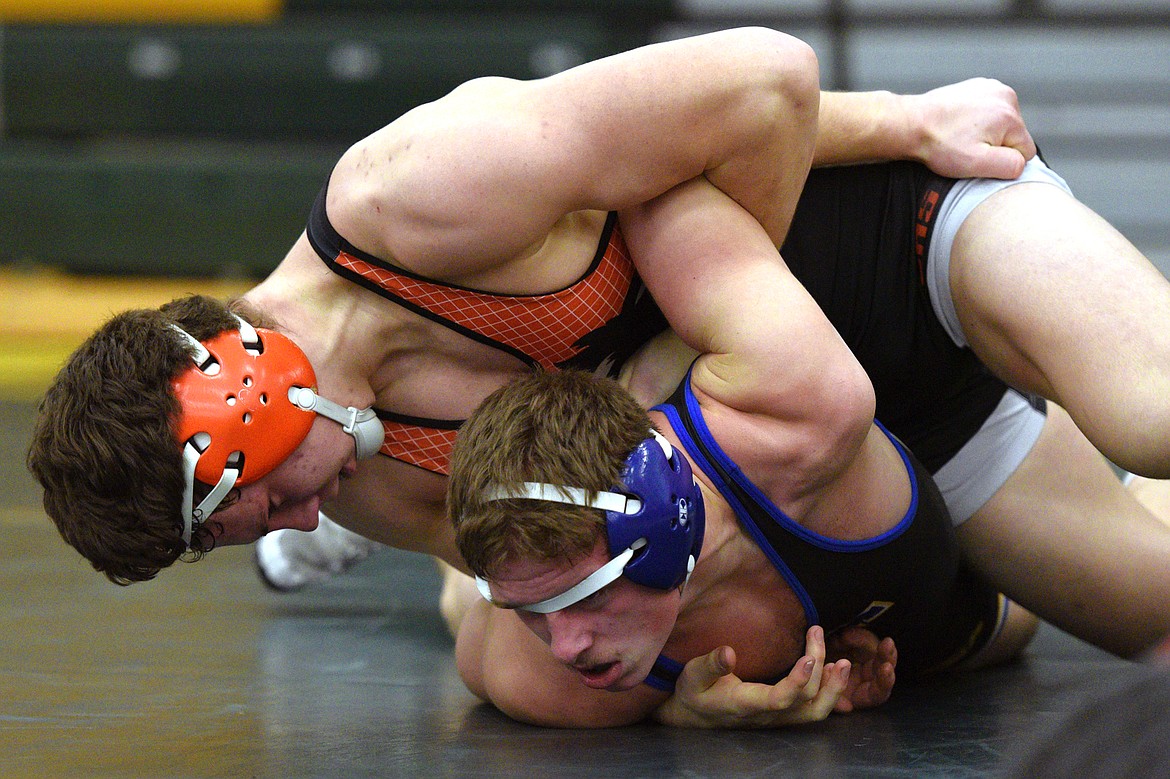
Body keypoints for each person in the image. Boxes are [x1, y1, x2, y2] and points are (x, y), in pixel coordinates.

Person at [25, 26, 1168, 723]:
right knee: (1155, 616)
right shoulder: (369, 478)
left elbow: (767, 81)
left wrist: (905, 119)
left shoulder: (419, 195)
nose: (308, 504)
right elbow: (538, 586)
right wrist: (690, 704)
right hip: (813, 431)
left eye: (272, 494)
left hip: (884, 241)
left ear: (252, 381)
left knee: (1154, 412)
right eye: (265, 523)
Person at [449, 177, 1038, 729]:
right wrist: (681, 713)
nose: (565, 647)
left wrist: (903, 119)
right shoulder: (538, 680)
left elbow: (670, 156)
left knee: (1108, 599)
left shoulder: (792, 411)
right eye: (530, 610)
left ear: (662, 516)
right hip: (923, 629)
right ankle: (459, 579)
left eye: (584, 595)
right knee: (1015, 630)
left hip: (946, 425)